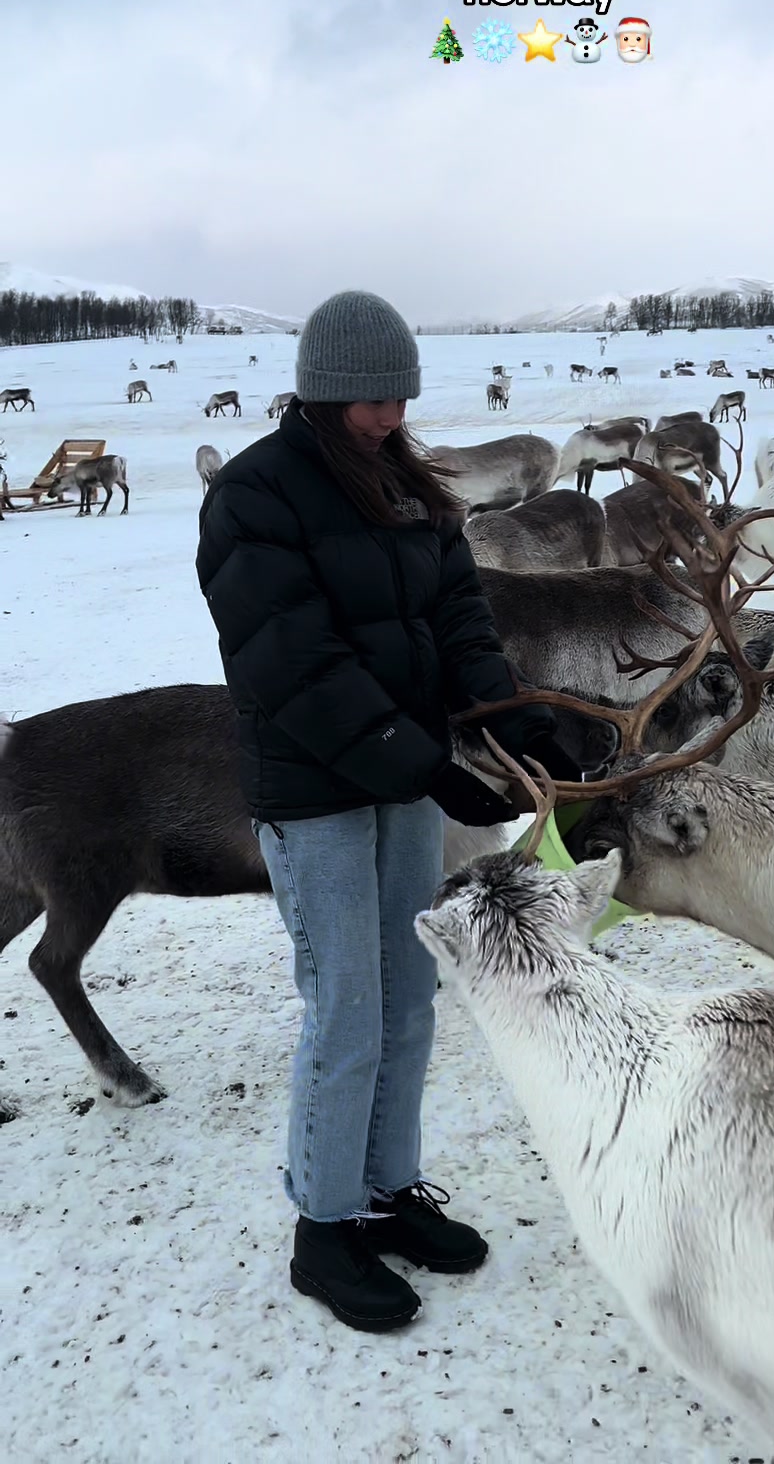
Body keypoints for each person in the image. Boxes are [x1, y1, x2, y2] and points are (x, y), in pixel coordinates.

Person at [196, 290, 582, 1333]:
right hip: (315, 792)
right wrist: (426, 762)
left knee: (410, 997)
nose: (391, 410)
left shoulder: (408, 485)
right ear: (321, 392)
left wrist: (514, 720)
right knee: (346, 1012)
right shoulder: (253, 497)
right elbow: (293, 662)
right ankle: (325, 1228)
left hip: (402, 778)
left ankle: (388, 1189)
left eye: (402, 390)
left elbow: (457, 613)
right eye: (371, 394)